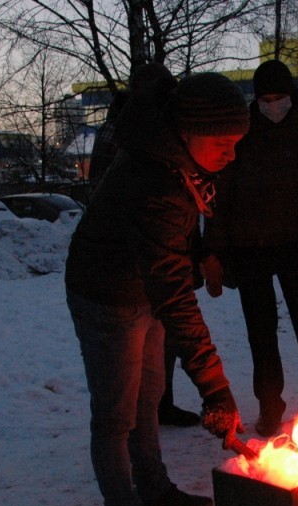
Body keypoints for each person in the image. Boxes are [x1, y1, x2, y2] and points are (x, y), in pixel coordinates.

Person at [65, 72, 249, 506]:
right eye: (223, 143)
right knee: (115, 416)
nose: (231, 154)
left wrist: (202, 251)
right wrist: (215, 388)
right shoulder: (153, 176)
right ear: (188, 131)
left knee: (149, 397)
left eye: (238, 143)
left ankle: (155, 489)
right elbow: (173, 292)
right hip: (106, 294)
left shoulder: (178, 159)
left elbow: (176, 242)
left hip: (143, 288)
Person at [204, 60, 298, 437]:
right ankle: (270, 408)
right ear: (257, 99)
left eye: (279, 97)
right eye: (265, 98)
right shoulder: (242, 137)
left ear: (292, 95)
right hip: (250, 249)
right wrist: (214, 251)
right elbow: (221, 198)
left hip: (297, 245)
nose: (273, 104)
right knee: (261, 334)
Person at [88, 62, 202, 428]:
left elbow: (185, 203)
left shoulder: (174, 138)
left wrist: (192, 251)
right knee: (127, 364)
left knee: (163, 341)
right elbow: (108, 196)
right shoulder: (123, 134)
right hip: (125, 267)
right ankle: (136, 416)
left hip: (164, 255)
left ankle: (159, 404)